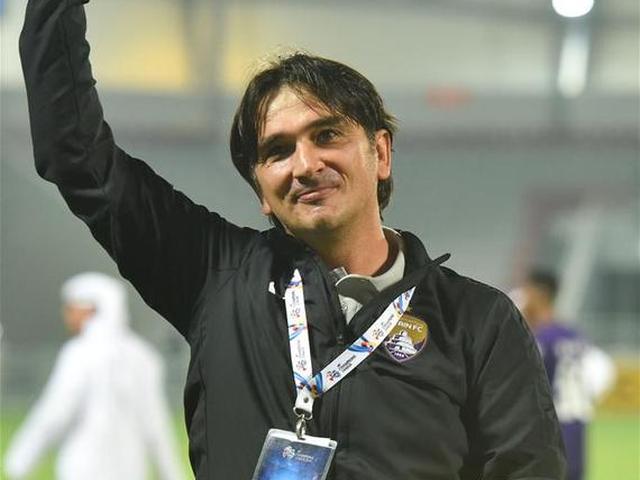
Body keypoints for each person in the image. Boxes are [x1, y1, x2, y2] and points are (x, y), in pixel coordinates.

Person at [19, 1, 566, 479]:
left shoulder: (477, 320)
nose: (305, 164)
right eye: (277, 151)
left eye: (327, 135)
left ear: (380, 153)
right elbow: (76, 154)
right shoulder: (216, 278)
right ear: (261, 188)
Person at [3, 273, 185, 480]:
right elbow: (155, 424)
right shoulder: (143, 356)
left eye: (71, 309)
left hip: (84, 469)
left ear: (90, 309)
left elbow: (56, 412)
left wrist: (19, 462)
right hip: (131, 471)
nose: (67, 316)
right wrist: (171, 474)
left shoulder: (79, 353)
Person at [512, 270, 616, 480]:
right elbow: (601, 374)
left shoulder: (538, 339)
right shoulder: (574, 334)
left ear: (538, 295)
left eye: (526, 292)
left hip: (548, 428)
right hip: (576, 426)